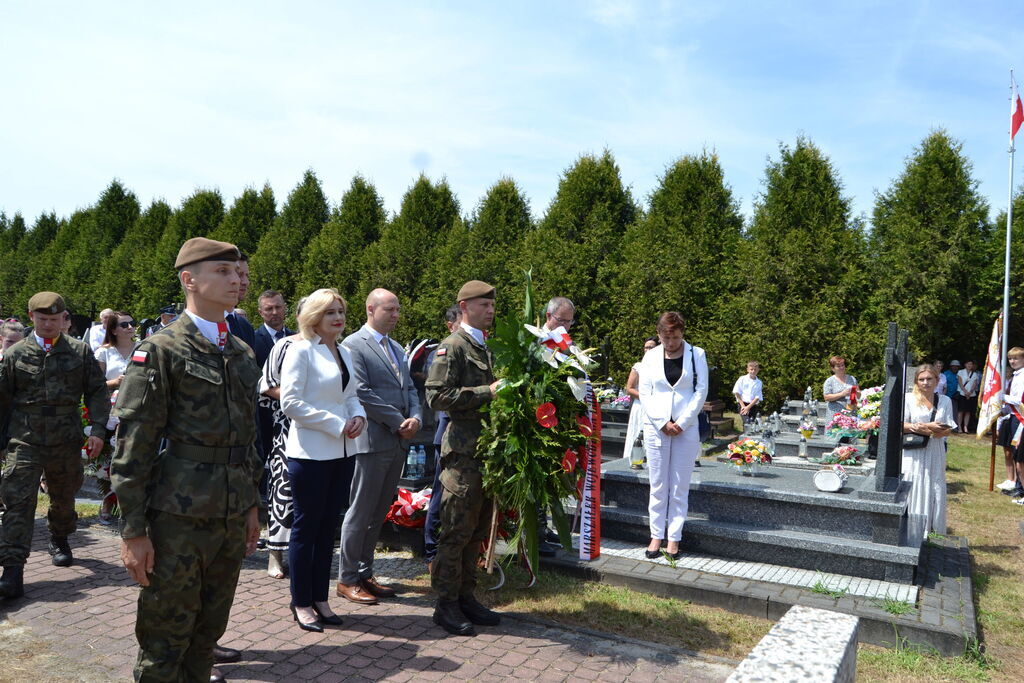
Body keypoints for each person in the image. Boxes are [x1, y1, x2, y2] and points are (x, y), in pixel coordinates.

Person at [110, 237, 262, 681]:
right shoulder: (160, 350)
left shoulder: (241, 351)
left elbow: (248, 439)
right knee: (165, 640)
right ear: (189, 280)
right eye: (222, 271)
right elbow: (134, 447)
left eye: (237, 273)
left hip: (231, 515)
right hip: (178, 517)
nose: (236, 280)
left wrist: (251, 506)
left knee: (206, 637)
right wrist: (134, 530)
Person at [0, 292, 109, 600]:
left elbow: (97, 392)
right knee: (18, 501)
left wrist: (98, 429)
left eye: (54, 319)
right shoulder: (16, 354)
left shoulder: (80, 351)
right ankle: (12, 569)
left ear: (64, 319)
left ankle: (59, 536)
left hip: (65, 436)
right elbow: (3, 400)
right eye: (42, 319)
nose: (48, 325)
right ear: (31, 317)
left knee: (64, 496)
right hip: (25, 437)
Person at [279, 288, 366, 632]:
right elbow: (291, 403)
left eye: (341, 310)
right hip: (311, 453)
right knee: (306, 528)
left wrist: (359, 417)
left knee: (328, 527)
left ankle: (320, 598)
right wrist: (337, 424)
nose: (338, 317)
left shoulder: (343, 351)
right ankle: (301, 601)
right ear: (314, 317)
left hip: (343, 452)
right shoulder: (299, 351)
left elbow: (352, 395)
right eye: (330, 312)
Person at [425, 280, 503, 636]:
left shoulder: (487, 346)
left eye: (491, 304)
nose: (490, 310)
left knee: (475, 533)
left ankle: (466, 596)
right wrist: (487, 392)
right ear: (464, 306)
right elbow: (437, 398)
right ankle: (445, 604)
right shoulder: (452, 346)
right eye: (483, 305)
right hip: (462, 454)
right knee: (455, 532)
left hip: (486, 453)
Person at [338, 289, 422, 605]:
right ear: (371, 309)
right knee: (360, 511)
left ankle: (364, 572)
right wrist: (398, 420)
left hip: (396, 441)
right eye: (390, 309)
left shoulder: (397, 347)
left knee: (378, 512)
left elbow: (410, 387)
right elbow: (360, 391)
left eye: (398, 309)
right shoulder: (354, 345)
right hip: (372, 441)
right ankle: (346, 578)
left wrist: (415, 416)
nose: (396, 315)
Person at [638, 312, 708, 561]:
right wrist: (661, 421)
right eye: (666, 337)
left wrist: (681, 422)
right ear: (659, 334)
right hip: (656, 427)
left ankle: (674, 538)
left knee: (679, 486)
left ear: (682, 333)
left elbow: (701, 391)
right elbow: (645, 392)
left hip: (685, 429)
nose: (670, 342)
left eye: (675, 337)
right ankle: (656, 534)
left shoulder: (696, 354)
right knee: (657, 485)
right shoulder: (650, 356)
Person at [257, 297, 306, 580]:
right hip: (287, 429)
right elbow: (265, 386)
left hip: (323, 433)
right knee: (282, 494)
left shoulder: (332, 347)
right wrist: (298, 399)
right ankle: (275, 554)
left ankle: (303, 554)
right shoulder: (283, 346)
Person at [423, 304, 462, 568]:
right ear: (450, 325)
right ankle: (430, 550)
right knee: (440, 494)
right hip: (447, 434)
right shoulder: (443, 351)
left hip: (465, 437)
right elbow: (438, 394)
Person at [901, 364, 956, 541]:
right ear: (916, 381)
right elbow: (900, 425)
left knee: (934, 484)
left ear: (937, 380)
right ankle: (911, 527)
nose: (925, 382)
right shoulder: (908, 398)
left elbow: (947, 429)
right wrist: (929, 428)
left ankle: (932, 527)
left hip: (935, 449)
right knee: (914, 482)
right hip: (913, 451)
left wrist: (926, 429)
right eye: (921, 379)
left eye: (929, 379)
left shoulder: (945, 401)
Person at [622, 337, 658, 469]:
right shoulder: (638, 367)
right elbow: (629, 389)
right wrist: (646, 397)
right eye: (646, 347)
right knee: (638, 433)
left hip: (655, 407)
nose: (648, 350)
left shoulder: (661, 367)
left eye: (651, 347)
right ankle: (634, 460)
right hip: (641, 405)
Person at [996, 347, 1024, 501]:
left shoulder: (1023, 376)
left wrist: (1001, 396)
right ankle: (1013, 481)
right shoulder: (1014, 376)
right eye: (1010, 359)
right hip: (1010, 416)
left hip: (1020, 417)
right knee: (1010, 450)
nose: (1013, 361)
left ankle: (1020, 487)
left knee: (1018, 453)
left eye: (1016, 358)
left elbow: (1020, 400)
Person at [94, 312, 135, 392]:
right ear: (113, 331)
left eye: (132, 324)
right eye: (124, 325)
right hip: (113, 401)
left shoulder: (143, 348)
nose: (130, 327)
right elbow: (94, 384)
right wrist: (115, 382)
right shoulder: (103, 352)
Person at [253, 290, 293, 369]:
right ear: (260, 312)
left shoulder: (296, 338)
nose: (274, 312)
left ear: (284, 308)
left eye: (278, 307)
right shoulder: (253, 340)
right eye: (269, 309)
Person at [822, 356, 858, 421]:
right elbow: (826, 397)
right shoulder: (829, 381)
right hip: (835, 415)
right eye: (838, 366)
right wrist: (842, 394)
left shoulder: (852, 379)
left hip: (851, 413)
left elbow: (859, 395)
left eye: (842, 365)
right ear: (833, 369)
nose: (841, 367)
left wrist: (855, 392)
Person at [732, 361, 763, 427]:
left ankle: (749, 437)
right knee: (746, 422)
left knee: (752, 423)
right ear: (748, 370)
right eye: (751, 369)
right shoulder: (742, 379)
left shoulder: (759, 382)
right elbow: (737, 392)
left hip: (752, 406)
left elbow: (757, 397)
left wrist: (748, 407)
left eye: (755, 370)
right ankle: (745, 436)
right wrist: (744, 407)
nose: (753, 371)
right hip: (742, 404)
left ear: (758, 370)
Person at [955, 360, 980, 434]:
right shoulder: (960, 372)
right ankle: (959, 426)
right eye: (968, 364)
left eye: (971, 364)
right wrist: (965, 392)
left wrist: (970, 392)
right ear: (965, 364)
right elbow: (960, 382)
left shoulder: (974, 374)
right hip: (962, 393)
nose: (969, 365)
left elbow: (975, 384)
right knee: (961, 411)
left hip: (971, 394)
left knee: (968, 411)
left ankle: (965, 426)